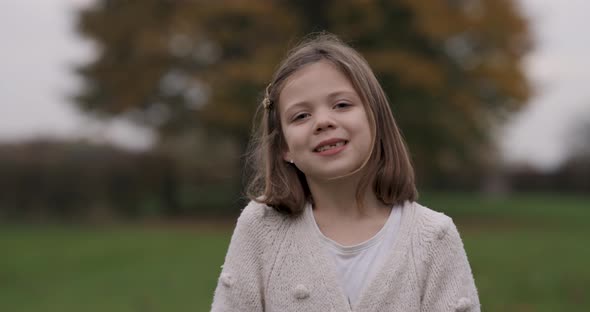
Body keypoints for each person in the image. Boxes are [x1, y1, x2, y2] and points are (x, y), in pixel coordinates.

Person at [211, 33, 480, 312]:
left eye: (341, 105)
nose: (323, 122)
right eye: (301, 116)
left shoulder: (434, 237)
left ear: (376, 119)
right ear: (284, 148)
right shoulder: (261, 228)